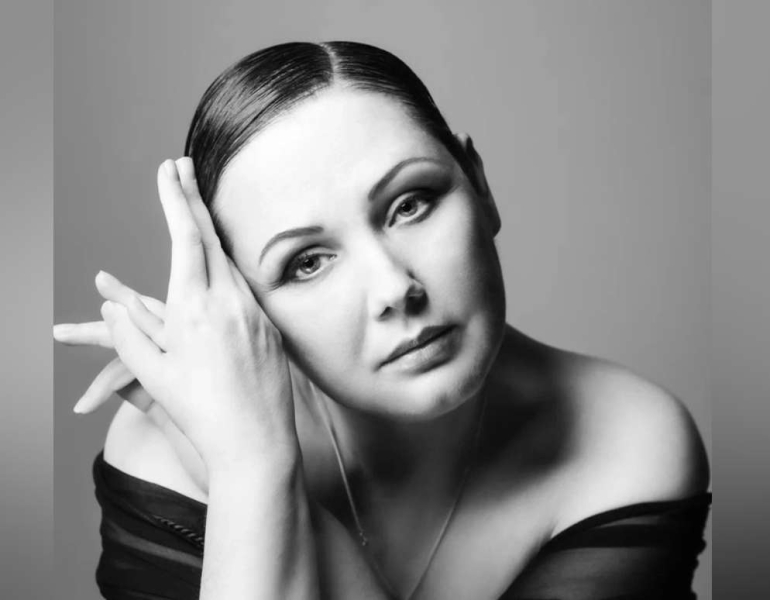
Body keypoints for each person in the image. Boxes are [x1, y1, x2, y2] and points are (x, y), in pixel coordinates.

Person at [54, 41, 711, 600]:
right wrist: (250, 465)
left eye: (411, 204)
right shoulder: (168, 444)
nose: (395, 288)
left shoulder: (625, 441)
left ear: (480, 187)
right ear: (244, 305)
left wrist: (267, 488)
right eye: (307, 263)